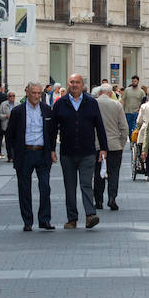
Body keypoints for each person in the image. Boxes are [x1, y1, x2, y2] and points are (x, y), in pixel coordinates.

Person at [52, 73, 107, 229]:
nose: (74, 85)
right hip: (67, 153)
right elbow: (52, 128)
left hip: (87, 152)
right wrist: (51, 149)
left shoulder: (91, 102)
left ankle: (90, 215)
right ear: (68, 84)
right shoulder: (60, 103)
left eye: (77, 82)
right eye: (72, 82)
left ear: (82, 85)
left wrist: (103, 148)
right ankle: (72, 219)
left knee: (86, 184)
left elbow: (99, 126)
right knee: (70, 187)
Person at [5, 82, 56, 230]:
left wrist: (52, 150)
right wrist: (13, 154)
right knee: (24, 188)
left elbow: (52, 133)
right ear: (27, 93)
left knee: (45, 187)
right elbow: (10, 134)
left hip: (42, 153)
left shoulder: (46, 110)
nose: (36, 96)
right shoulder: (18, 111)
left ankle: (44, 219)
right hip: (25, 153)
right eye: (34, 93)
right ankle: (27, 221)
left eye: (39, 93)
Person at [93, 84, 127, 211]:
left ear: (99, 92)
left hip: (96, 145)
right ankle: (112, 198)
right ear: (110, 93)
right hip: (114, 145)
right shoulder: (117, 105)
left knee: (98, 173)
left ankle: (98, 200)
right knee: (114, 173)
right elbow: (124, 127)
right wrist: (121, 144)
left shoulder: (93, 104)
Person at [0, 91, 15, 162]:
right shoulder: (3, 104)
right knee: (8, 142)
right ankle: (10, 156)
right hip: (6, 126)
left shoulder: (17, 104)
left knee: (14, 142)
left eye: (13, 96)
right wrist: (6, 116)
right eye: (10, 96)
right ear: (7, 97)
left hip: (15, 126)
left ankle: (14, 156)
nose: (12, 97)